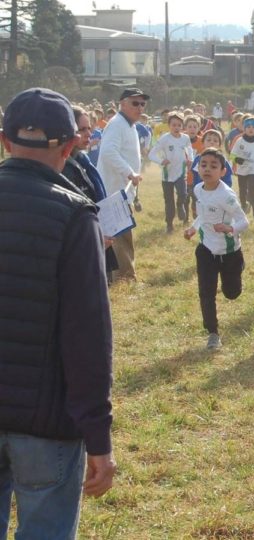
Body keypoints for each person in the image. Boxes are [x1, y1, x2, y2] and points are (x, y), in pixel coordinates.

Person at [0, 87, 115, 538]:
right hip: (46, 424)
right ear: (70, 147)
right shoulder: (75, 217)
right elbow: (88, 335)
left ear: (5, 141)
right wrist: (99, 438)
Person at [183, 148, 249, 350]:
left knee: (231, 293)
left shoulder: (226, 196)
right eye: (203, 165)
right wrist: (193, 228)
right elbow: (203, 214)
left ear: (222, 171)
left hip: (229, 252)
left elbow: (244, 222)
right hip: (206, 250)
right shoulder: (198, 189)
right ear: (197, 168)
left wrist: (230, 228)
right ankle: (212, 332)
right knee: (206, 292)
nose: (207, 169)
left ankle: (238, 269)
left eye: (213, 166)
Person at [96, 87, 148, 281]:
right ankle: (125, 278)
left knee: (120, 234)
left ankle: (118, 275)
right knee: (120, 235)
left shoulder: (129, 125)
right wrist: (129, 173)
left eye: (143, 103)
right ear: (122, 103)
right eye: (135, 103)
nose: (140, 107)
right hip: (114, 190)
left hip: (122, 190)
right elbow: (109, 152)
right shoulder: (117, 124)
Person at [62, 105, 119, 276]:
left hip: (98, 238)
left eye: (89, 128)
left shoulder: (82, 159)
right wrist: (93, 240)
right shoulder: (62, 167)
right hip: (82, 249)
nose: (89, 134)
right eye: (82, 129)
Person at [149, 112, 194, 233]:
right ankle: (169, 224)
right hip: (167, 175)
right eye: (174, 125)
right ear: (169, 125)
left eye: (179, 125)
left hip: (181, 173)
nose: (177, 127)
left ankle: (180, 206)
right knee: (169, 201)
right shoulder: (164, 138)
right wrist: (161, 161)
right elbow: (151, 154)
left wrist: (190, 159)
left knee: (183, 194)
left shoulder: (185, 138)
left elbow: (189, 149)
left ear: (182, 126)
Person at [230, 115, 254, 222]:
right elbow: (232, 155)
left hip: (253, 169)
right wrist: (238, 160)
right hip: (242, 170)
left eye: (253, 127)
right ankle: (244, 206)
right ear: (244, 128)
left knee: (252, 188)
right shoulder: (240, 141)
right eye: (248, 127)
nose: (251, 129)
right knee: (242, 190)